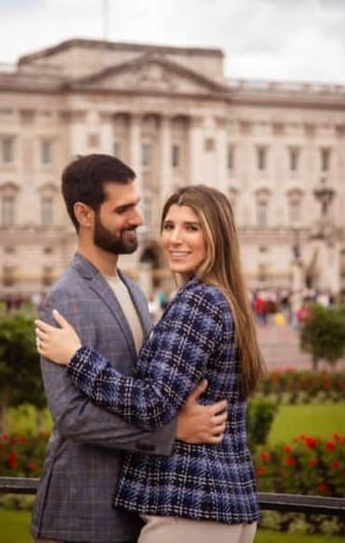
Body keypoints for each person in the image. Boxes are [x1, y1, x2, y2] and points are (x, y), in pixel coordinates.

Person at [37, 184, 266, 543]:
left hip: (189, 504)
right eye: (169, 226)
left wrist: (76, 357)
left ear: (217, 236)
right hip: (223, 501)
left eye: (192, 227)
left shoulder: (199, 301)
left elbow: (151, 403)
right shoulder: (223, 297)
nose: (175, 239)